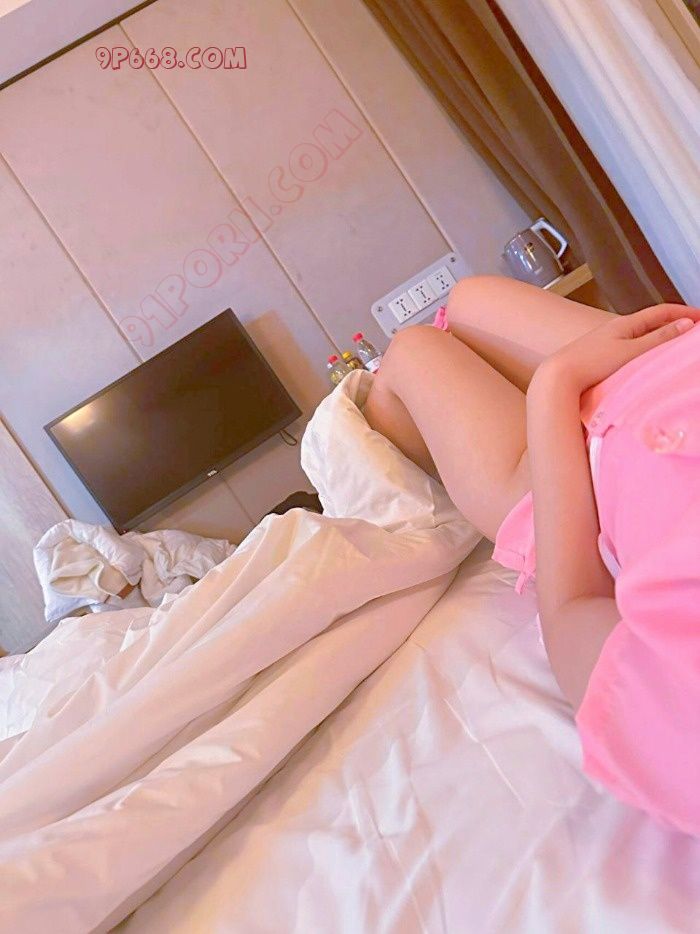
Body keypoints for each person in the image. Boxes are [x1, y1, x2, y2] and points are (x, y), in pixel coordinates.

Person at [363, 276, 700, 835]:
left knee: (411, 352)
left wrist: (555, 387)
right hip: (668, 368)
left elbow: (573, 613)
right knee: (467, 300)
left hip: (575, 478)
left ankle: (406, 434)